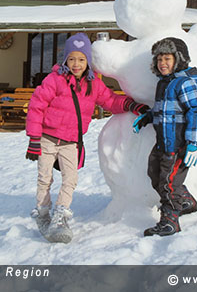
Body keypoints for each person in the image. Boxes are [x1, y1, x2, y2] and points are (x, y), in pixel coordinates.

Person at [25, 32, 149, 242]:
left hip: (71, 142)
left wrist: (130, 105)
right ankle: (43, 212)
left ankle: (60, 215)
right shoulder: (54, 80)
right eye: (72, 59)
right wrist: (34, 139)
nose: (76, 64)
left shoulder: (93, 85)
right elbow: (36, 107)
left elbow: (110, 100)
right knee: (45, 177)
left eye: (81, 59)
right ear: (65, 60)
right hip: (47, 138)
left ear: (88, 62)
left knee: (70, 179)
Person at [132, 37, 197, 237]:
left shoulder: (184, 83)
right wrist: (147, 118)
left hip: (179, 144)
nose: (162, 63)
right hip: (163, 142)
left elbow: (196, 111)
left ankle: (169, 221)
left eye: (167, 59)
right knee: (155, 174)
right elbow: (164, 110)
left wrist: (192, 143)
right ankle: (186, 202)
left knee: (168, 183)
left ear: (179, 59)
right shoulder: (164, 84)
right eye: (159, 59)